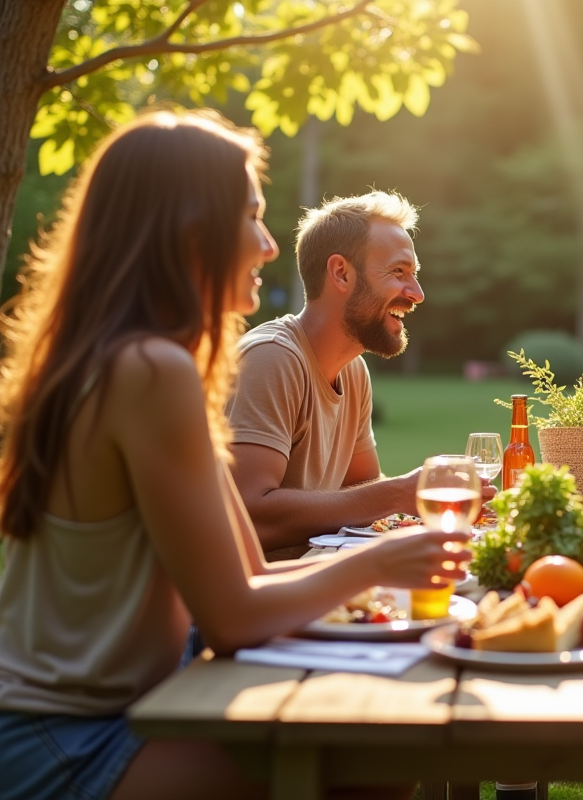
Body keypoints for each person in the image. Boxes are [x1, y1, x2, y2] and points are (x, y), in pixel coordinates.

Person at [0, 111, 468, 800]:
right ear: (189, 229)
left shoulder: (137, 358)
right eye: (250, 216)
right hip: (65, 738)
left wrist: (382, 567)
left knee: (380, 743)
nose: (269, 245)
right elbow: (234, 618)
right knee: (372, 762)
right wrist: (381, 561)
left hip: (132, 703)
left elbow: (249, 579)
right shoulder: (150, 369)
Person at [227, 191, 490, 560]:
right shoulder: (271, 358)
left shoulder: (353, 370)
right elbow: (247, 516)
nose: (417, 294)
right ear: (341, 273)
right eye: (399, 273)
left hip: (324, 597)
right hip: (255, 611)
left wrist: (432, 501)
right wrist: (399, 493)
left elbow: (361, 493)